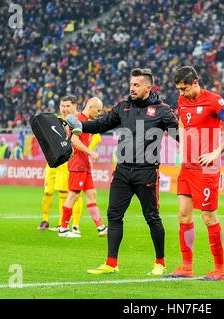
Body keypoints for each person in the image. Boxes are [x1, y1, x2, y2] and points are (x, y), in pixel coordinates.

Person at [66, 68, 179, 276]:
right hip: (123, 171)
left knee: (152, 217)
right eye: (131, 84)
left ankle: (160, 262)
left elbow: (179, 134)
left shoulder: (162, 110)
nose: (132, 88)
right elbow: (102, 124)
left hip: (147, 172)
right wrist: (80, 125)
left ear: (148, 87)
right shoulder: (122, 107)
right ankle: (111, 263)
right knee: (114, 215)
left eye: (136, 85)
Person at [165, 66, 224, 281]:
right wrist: (183, 147)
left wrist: (216, 152)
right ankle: (186, 266)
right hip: (187, 167)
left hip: (206, 169)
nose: (181, 93)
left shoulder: (214, 101)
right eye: (178, 90)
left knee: (208, 217)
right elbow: (183, 125)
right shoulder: (183, 101)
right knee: (183, 214)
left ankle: (219, 269)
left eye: (184, 88)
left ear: (195, 82)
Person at [58, 96, 107, 238]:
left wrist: (88, 157)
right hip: (77, 163)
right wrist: (90, 152)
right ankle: (63, 228)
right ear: (90, 107)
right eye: (97, 110)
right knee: (73, 195)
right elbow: (74, 140)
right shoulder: (77, 119)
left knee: (92, 194)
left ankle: (100, 227)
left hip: (84, 163)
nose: (98, 113)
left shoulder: (86, 121)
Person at [38, 98, 84, 232]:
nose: (64, 108)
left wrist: (79, 152)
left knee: (64, 193)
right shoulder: (54, 120)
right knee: (47, 192)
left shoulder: (77, 120)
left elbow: (95, 137)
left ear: (73, 106)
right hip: (52, 162)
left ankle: (64, 224)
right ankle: (45, 220)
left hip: (66, 163)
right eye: (62, 106)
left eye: (67, 106)